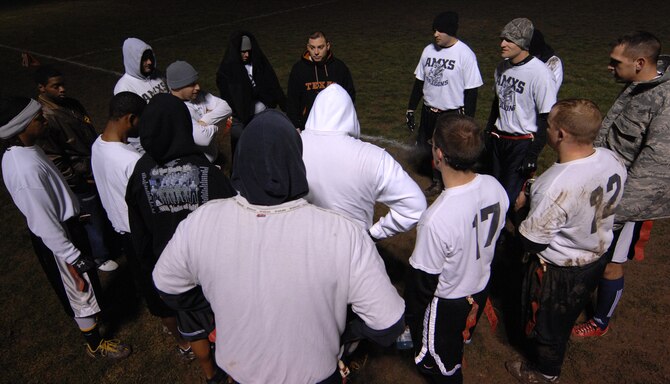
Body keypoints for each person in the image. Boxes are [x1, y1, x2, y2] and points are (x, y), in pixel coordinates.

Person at [153, 110, 406, 384]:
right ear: (296, 161)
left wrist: (219, 306)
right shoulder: (344, 233)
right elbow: (388, 324)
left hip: (239, 375)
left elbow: (167, 286)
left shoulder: (202, 221)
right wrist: (340, 332)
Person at [505, 99, 627, 383]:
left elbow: (531, 241)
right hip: (595, 256)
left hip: (560, 270)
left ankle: (545, 373)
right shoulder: (612, 158)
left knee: (547, 328)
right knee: (566, 316)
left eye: (548, 125)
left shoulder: (555, 185)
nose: (544, 130)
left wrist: (520, 208)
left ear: (561, 134)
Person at [1, 96, 131, 360]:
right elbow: (42, 220)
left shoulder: (28, 149)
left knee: (85, 287)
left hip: (67, 227)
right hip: (59, 240)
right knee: (78, 290)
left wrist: (72, 211)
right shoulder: (23, 169)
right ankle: (95, 344)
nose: (44, 120)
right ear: (22, 127)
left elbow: (51, 197)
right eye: (38, 118)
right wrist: (72, 256)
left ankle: (95, 324)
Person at [126, 93, 236, 384]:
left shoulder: (140, 172)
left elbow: (139, 231)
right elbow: (232, 222)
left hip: (172, 269)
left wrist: (151, 267)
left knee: (192, 324)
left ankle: (210, 375)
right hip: (211, 269)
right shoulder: (206, 172)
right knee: (225, 324)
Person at [572, 31, 670, 339]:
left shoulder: (664, 100)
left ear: (640, 63)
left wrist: (617, 212)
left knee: (611, 263)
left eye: (616, 62)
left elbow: (657, 165)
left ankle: (601, 320)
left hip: (627, 200)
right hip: (608, 189)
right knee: (593, 256)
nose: (609, 67)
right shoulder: (640, 84)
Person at [91, 91, 196, 363]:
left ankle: (171, 325)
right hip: (142, 233)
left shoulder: (97, 145)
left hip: (123, 230)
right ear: (131, 119)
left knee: (151, 287)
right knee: (163, 290)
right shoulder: (130, 162)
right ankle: (184, 341)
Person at [405, 114, 508, 384]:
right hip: (479, 286)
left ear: (439, 154)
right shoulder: (495, 186)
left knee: (439, 367)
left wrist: (411, 319)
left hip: (448, 301)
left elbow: (423, 283)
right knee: (456, 344)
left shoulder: (436, 218)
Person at [302, 83, 426, 241]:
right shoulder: (373, 158)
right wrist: (376, 233)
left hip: (306, 246)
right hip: (354, 249)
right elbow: (415, 206)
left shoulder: (292, 147)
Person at [34, 65, 118, 272]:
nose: (62, 89)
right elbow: (55, 158)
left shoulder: (71, 104)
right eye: (56, 86)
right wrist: (77, 180)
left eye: (63, 84)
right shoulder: (45, 117)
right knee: (91, 217)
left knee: (103, 208)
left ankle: (110, 245)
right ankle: (100, 256)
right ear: (42, 88)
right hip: (81, 176)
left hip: (91, 166)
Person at [406, 11, 483, 195]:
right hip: (428, 111)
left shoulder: (465, 54)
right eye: (434, 30)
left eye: (440, 30)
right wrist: (411, 108)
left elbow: (472, 91)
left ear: (451, 32)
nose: (436, 34)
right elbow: (419, 82)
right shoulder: (428, 50)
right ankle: (436, 181)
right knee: (428, 148)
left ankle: (451, 182)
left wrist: (467, 121)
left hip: (450, 114)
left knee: (450, 151)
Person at [486, 18, 557, 207]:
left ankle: (506, 233)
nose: (502, 44)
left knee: (508, 197)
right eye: (502, 39)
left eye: (509, 40)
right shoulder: (501, 68)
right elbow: (497, 103)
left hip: (521, 143)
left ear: (523, 43)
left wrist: (532, 155)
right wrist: (488, 132)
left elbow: (546, 117)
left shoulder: (541, 73)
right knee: (493, 190)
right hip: (498, 139)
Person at [215, 31, 286, 160]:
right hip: (240, 119)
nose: (246, 54)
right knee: (243, 151)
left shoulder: (258, 63)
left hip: (262, 113)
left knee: (267, 148)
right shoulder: (227, 71)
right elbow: (231, 97)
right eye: (243, 52)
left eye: (248, 51)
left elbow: (273, 84)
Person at [166, 60, 232, 164]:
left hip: (213, 158)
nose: (198, 87)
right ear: (177, 87)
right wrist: (217, 125)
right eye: (191, 84)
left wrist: (205, 120)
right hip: (196, 166)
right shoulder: (174, 109)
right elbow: (204, 138)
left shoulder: (199, 95)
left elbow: (226, 107)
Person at [287, 31, 355, 130]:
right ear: (307, 47)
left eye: (320, 47)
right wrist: (295, 125)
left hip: (334, 126)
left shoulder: (339, 67)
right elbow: (292, 100)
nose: (316, 52)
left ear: (328, 46)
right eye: (312, 47)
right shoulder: (299, 69)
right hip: (307, 127)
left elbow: (349, 96)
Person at [113, 37, 168, 102]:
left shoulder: (156, 73)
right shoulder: (124, 88)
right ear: (133, 60)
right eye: (144, 59)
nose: (149, 62)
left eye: (150, 57)